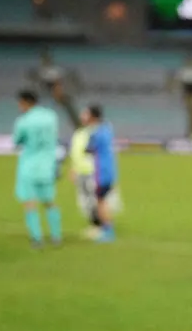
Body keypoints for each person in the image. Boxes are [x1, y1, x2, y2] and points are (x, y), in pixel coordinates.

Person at [12, 90, 63, 247]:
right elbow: (55, 137)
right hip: (48, 164)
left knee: (29, 202)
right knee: (49, 201)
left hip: (29, 166)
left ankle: (37, 238)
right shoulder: (51, 116)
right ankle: (56, 237)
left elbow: (17, 141)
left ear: (25, 102)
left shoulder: (24, 120)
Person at [85, 104, 118, 242]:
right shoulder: (107, 129)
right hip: (110, 170)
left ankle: (107, 231)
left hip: (101, 172)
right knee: (102, 200)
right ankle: (107, 228)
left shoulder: (96, 133)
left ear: (92, 116)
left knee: (100, 201)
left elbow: (88, 149)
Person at [69, 107, 102, 239]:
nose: (83, 116)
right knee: (85, 201)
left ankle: (99, 226)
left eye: (86, 114)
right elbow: (75, 153)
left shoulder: (94, 132)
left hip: (91, 171)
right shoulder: (79, 133)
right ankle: (94, 225)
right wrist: (73, 169)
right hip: (80, 171)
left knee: (93, 200)